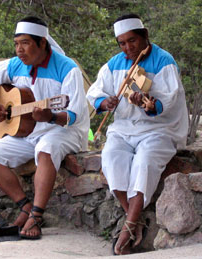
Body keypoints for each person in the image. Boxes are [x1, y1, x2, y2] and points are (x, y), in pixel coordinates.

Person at [0, 16, 90, 239]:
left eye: (25, 43)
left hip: (64, 131)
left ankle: (36, 215)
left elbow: (73, 115)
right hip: (28, 131)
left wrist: (51, 116)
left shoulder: (67, 68)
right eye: (16, 44)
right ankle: (24, 205)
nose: (19, 50)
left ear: (42, 43)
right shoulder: (15, 64)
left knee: (45, 148)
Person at [86, 14, 188, 255]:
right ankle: (136, 218)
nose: (127, 47)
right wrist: (105, 101)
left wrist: (148, 104)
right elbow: (95, 91)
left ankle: (128, 226)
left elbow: (169, 99)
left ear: (145, 37)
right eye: (122, 43)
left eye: (132, 41)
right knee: (110, 159)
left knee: (144, 163)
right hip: (124, 128)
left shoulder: (164, 61)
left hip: (159, 129)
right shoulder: (114, 63)